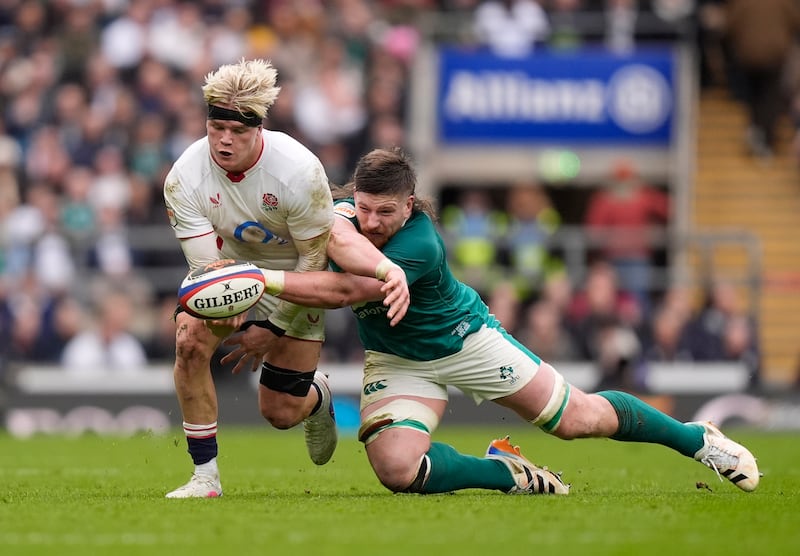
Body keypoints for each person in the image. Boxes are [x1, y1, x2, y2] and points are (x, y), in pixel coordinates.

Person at [230, 147, 761, 496]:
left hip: (467, 343)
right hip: (398, 359)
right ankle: (505, 471)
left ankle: (696, 439)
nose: (372, 223)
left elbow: (346, 290)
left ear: (409, 204)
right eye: (364, 208)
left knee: (579, 419)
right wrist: (270, 319)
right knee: (396, 471)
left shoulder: (418, 242)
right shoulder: (344, 220)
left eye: (384, 212)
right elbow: (313, 259)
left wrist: (258, 280)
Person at [162, 59, 409, 499]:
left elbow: (314, 265)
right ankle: (205, 478)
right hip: (232, 269)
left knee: (279, 412)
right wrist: (231, 310)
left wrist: (272, 328)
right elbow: (209, 272)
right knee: (189, 339)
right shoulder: (184, 177)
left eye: (237, 131)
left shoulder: (299, 171)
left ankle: (318, 401)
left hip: (294, 274)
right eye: (216, 126)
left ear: (259, 128)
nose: (223, 139)